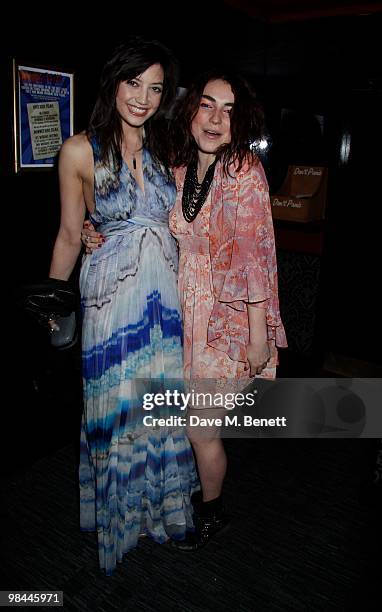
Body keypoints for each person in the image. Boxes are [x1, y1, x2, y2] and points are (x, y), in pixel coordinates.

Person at [82, 69, 287, 551]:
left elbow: (254, 257)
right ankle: (190, 495)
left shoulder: (243, 171)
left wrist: (257, 336)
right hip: (178, 311)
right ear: (191, 110)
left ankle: (213, 512)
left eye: (230, 110)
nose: (216, 118)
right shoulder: (175, 167)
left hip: (227, 317)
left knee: (200, 427)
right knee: (182, 419)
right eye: (208, 105)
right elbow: (145, 223)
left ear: (242, 121)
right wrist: (97, 233)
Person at [48, 37, 199, 575]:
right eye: (134, 83)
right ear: (114, 82)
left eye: (155, 88)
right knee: (115, 409)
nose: (143, 97)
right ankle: (119, 517)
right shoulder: (78, 150)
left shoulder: (168, 147)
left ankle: (157, 511)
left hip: (166, 297)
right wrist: (53, 299)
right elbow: (70, 232)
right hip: (111, 298)